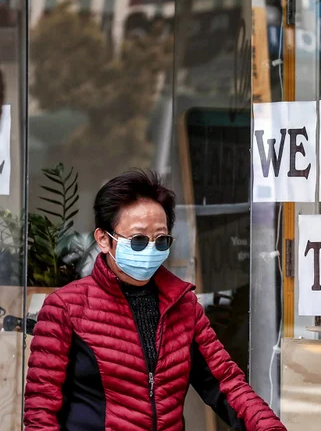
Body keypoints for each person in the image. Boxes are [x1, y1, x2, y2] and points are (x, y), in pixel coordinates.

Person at [24, 170, 286, 431]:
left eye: (161, 240)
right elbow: (41, 411)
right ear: (104, 239)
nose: (150, 248)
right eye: (138, 240)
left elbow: (226, 383)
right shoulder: (65, 307)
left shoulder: (182, 305)